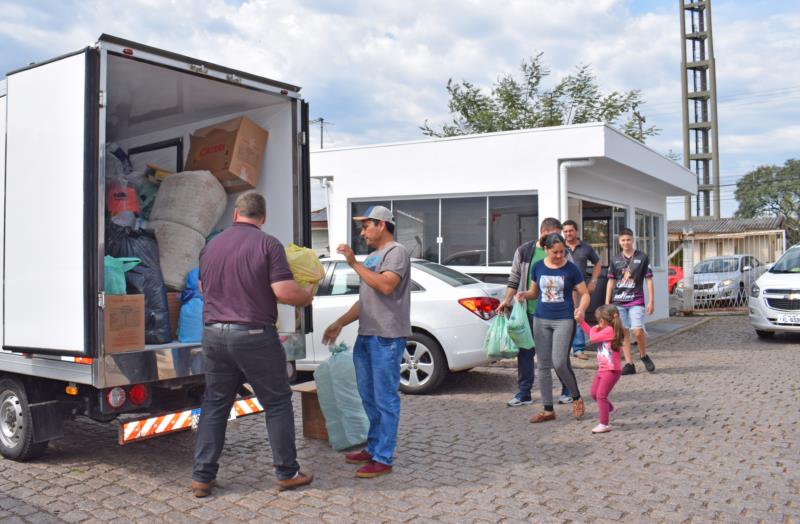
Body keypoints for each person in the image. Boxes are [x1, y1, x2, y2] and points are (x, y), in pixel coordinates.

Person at [191, 192, 315, 498]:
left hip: (214, 335)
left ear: (236, 214)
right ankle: (287, 473)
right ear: (263, 217)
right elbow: (285, 292)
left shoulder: (210, 246)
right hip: (254, 336)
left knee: (215, 404)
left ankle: (202, 477)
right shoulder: (268, 244)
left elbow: (203, 288)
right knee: (277, 402)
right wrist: (308, 294)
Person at [322, 205, 411, 479]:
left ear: (381, 224)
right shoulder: (373, 256)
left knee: (385, 398)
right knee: (368, 397)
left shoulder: (396, 252)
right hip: (367, 335)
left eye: (365, 226)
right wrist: (339, 322)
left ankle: (383, 458)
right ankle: (373, 447)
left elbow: (385, 286)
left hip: (386, 338)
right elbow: (365, 301)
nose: (362, 233)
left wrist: (353, 263)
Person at [517, 233, 590, 423]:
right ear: (546, 250)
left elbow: (585, 293)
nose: (560, 255)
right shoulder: (538, 267)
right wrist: (524, 294)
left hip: (564, 319)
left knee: (559, 362)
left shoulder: (571, 269)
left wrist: (581, 309)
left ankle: (576, 396)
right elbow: (535, 292)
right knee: (542, 365)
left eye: (562, 251)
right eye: (555, 252)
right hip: (541, 320)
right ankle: (548, 409)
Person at [498, 217, 565, 407]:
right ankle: (524, 393)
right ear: (544, 232)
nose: (557, 241)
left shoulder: (562, 252)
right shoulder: (524, 251)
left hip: (555, 312)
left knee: (557, 355)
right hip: (528, 312)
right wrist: (506, 300)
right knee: (526, 352)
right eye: (555, 235)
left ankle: (567, 390)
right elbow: (514, 278)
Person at [606, 227, 655, 375]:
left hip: (636, 300)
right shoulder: (615, 259)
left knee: (638, 331)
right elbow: (611, 282)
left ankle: (643, 354)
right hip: (619, 302)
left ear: (633, 240)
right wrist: (607, 302)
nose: (626, 242)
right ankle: (629, 363)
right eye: (623, 240)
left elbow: (649, 280)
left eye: (628, 240)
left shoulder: (642, 257)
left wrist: (651, 301)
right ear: (619, 242)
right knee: (624, 332)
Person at [576, 304, 624, 433]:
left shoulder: (610, 330)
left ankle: (604, 424)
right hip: (602, 369)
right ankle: (609, 409)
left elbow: (592, 337)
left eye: (598, 321)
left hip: (611, 370)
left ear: (602, 321)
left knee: (601, 395)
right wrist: (581, 322)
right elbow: (591, 333)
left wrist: (595, 329)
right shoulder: (606, 330)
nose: (597, 324)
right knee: (594, 394)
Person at [562, 220, 602, 360]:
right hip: (562, 288)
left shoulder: (586, 247)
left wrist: (594, 281)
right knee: (564, 317)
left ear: (576, 231)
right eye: (565, 231)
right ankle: (564, 348)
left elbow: (598, 263)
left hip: (580, 288)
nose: (568, 233)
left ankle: (578, 348)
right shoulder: (560, 247)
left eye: (571, 231)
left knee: (578, 315)